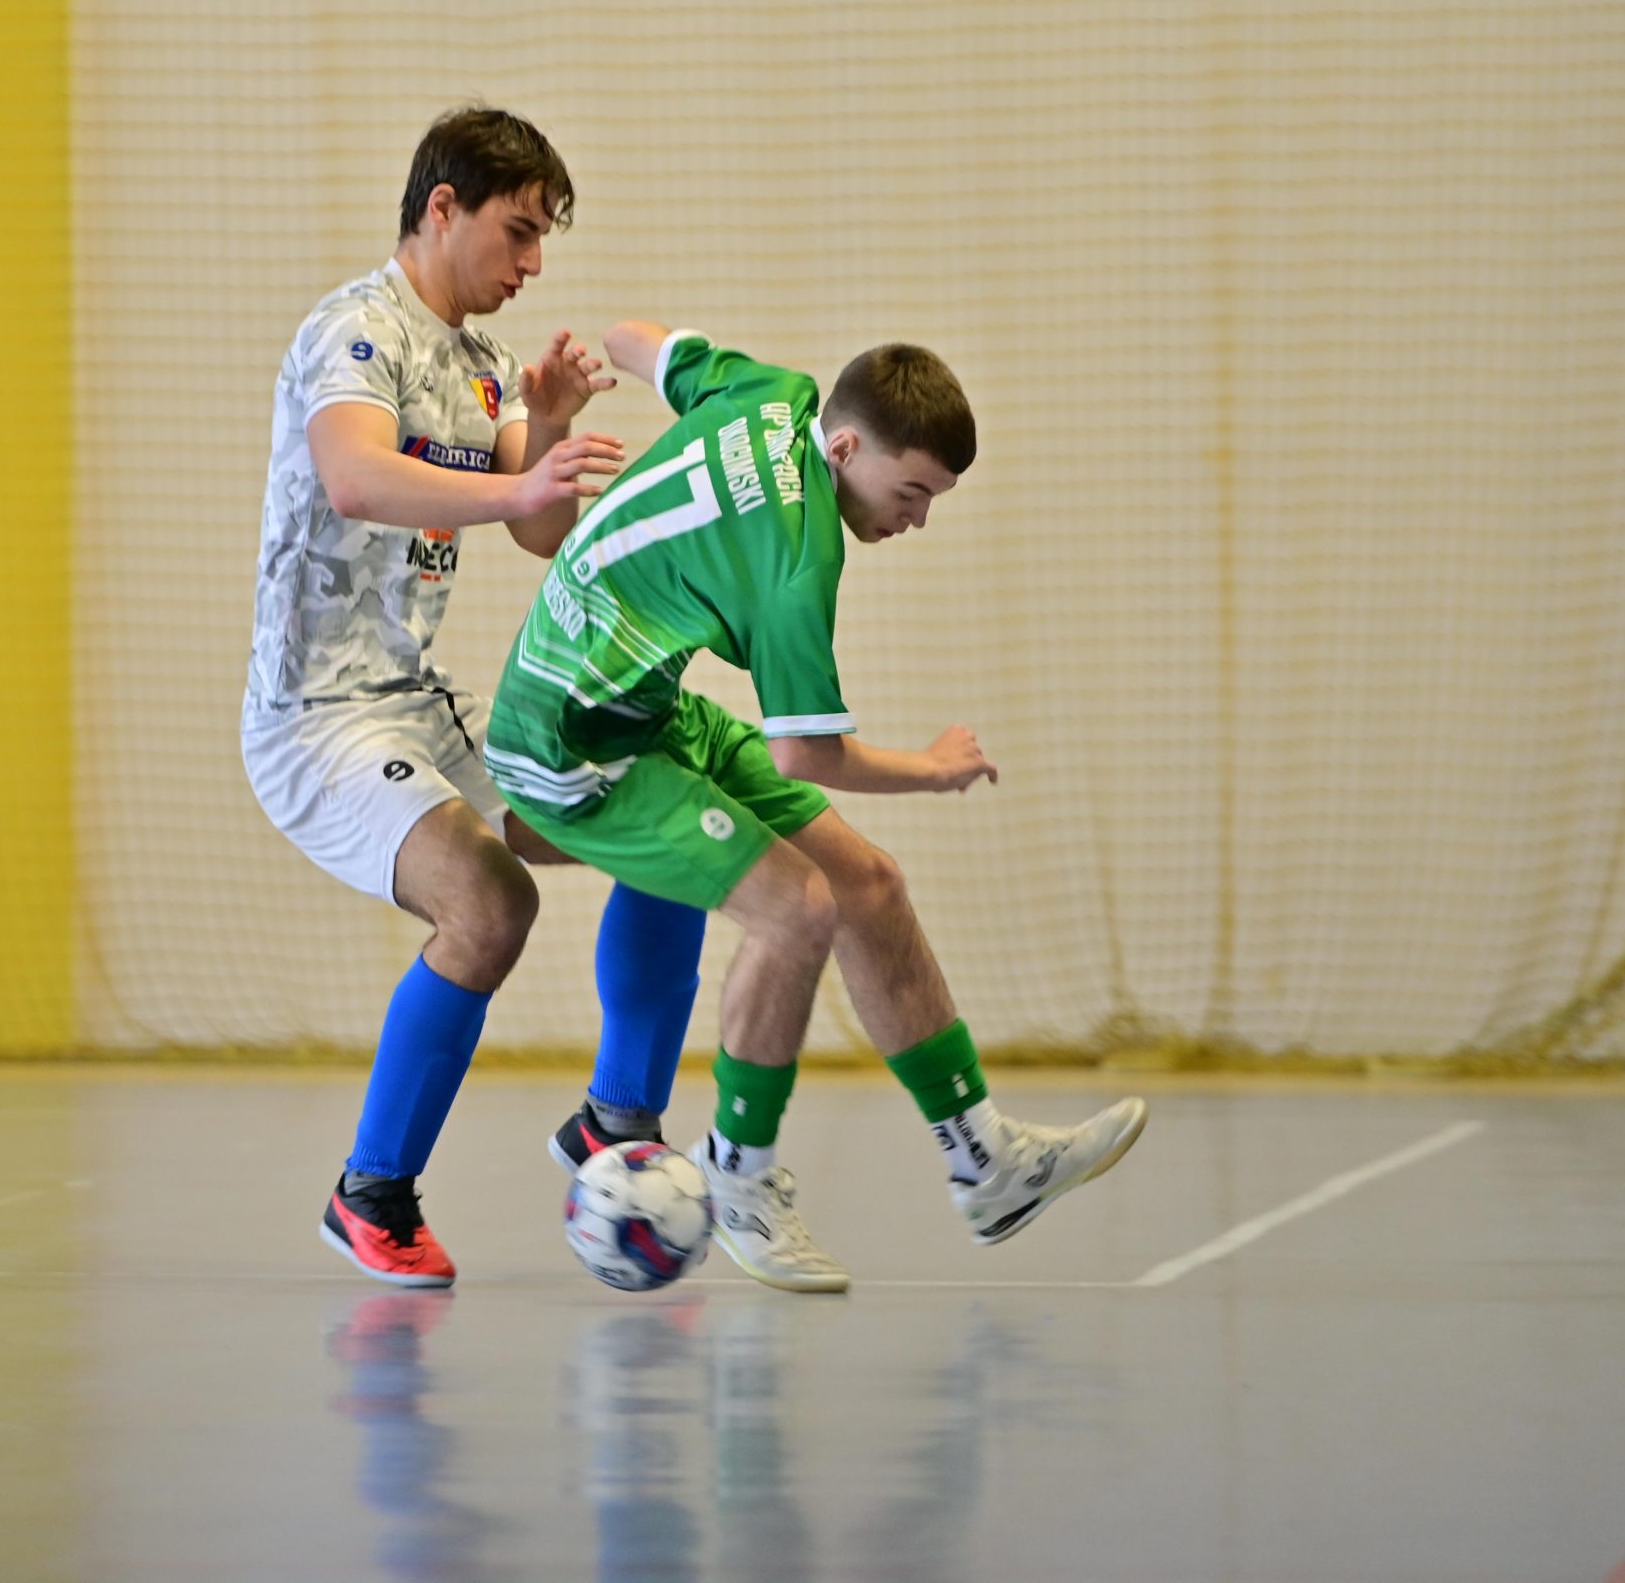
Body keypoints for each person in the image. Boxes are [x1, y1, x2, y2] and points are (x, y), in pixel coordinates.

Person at [489, 321, 1149, 1291]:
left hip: (642, 707)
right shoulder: (798, 556)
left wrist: (593, 361)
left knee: (869, 886)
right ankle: (738, 1178)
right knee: (796, 908)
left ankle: (986, 1161)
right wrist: (932, 768)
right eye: (911, 492)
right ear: (844, 448)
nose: (916, 519)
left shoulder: (774, 393)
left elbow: (644, 342)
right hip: (569, 745)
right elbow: (805, 753)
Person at [242, 107, 711, 1288]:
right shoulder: (357, 330)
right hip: (317, 723)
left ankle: (615, 1120)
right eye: (519, 230)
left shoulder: (483, 365)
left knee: (667, 834)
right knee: (490, 904)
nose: (533, 262)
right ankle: (370, 1193)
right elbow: (356, 479)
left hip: (417, 704)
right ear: (441, 207)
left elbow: (537, 530)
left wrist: (544, 425)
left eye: (544, 237)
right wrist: (517, 485)